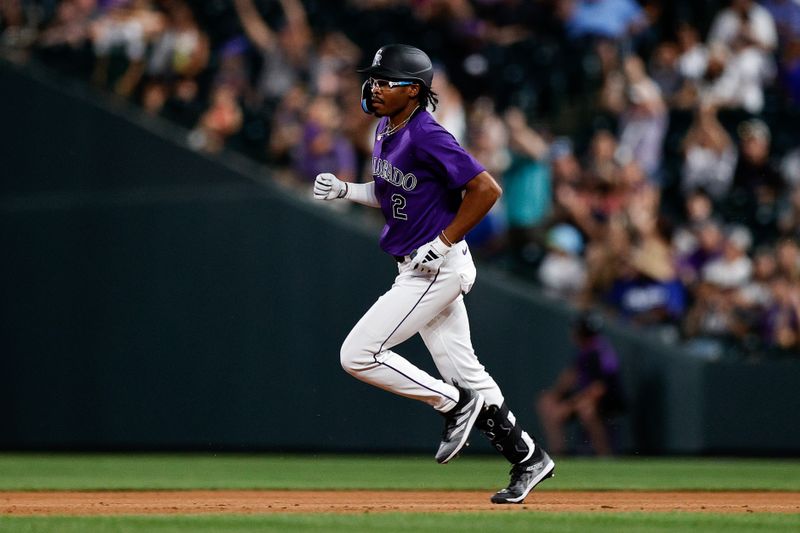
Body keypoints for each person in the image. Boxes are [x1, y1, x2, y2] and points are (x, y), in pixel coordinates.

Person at [312, 43, 554, 504]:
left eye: (387, 81)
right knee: (468, 373)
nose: (375, 87)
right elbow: (393, 196)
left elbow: (486, 189)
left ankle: (452, 404)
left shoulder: (427, 133)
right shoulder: (386, 127)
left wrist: (441, 241)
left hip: (436, 269)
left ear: (415, 90)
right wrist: (347, 189)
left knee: (358, 353)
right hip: (418, 267)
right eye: (375, 79)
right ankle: (529, 458)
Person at [536, 312, 625, 456]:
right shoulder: (583, 350)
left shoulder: (600, 351)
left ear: (583, 333)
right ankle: (558, 454)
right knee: (546, 402)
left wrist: (569, 406)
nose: (572, 333)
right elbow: (570, 376)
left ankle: (605, 455)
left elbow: (598, 389)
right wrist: (556, 396)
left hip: (608, 400)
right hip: (585, 395)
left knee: (586, 409)